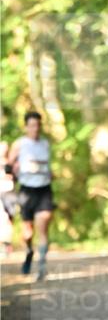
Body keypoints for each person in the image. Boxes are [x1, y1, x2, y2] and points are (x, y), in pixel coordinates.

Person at [7, 111, 56, 280]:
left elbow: (47, 165)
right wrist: (12, 170)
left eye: (38, 125)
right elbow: (9, 165)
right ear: (27, 127)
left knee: (44, 223)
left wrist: (50, 173)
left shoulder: (45, 144)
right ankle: (29, 251)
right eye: (32, 125)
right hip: (27, 190)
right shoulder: (20, 144)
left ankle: (42, 265)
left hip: (44, 189)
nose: (36, 129)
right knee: (27, 232)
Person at [0, 141, 17, 257]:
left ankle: (8, 243)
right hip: (1, 193)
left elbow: (16, 177)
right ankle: (3, 244)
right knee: (2, 219)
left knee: (9, 220)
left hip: (10, 193)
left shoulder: (11, 164)